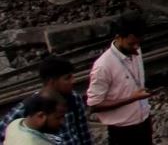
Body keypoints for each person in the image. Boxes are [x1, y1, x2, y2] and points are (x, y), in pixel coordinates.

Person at [87, 14, 154, 145]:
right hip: (122, 131)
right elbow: (94, 106)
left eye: (138, 43)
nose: (136, 47)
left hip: (143, 121)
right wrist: (132, 98)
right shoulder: (103, 66)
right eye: (131, 43)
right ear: (118, 37)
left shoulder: (136, 51)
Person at [0, 58, 89, 145]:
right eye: (67, 78)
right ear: (52, 82)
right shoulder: (28, 107)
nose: (73, 81)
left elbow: (83, 132)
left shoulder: (74, 99)